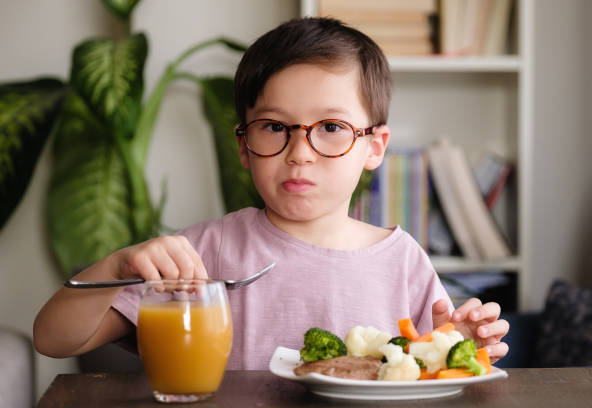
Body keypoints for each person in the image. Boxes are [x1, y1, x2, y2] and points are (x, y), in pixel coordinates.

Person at [33, 17, 509, 370]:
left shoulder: (403, 261)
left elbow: (430, 368)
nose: (300, 152)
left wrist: (460, 342)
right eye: (275, 127)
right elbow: (53, 339)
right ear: (244, 145)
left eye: (330, 127)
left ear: (373, 147)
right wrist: (118, 266)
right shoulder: (206, 253)